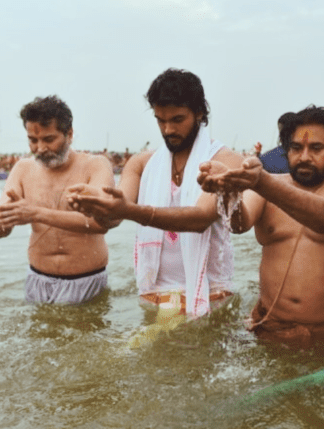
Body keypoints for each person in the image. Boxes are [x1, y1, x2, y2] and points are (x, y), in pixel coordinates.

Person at [67, 68, 244, 317]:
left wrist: (129, 211)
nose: (168, 129)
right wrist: (96, 206)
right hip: (154, 295)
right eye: (160, 120)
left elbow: (200, 218)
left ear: (200, 113)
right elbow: (116, 215)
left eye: (177, 119)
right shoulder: (141, 164)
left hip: (211, 295)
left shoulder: (225, 161)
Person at [198, 105, 324, 348]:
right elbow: (238, 224)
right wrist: (226, 190)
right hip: (268, 325)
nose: (304, 157)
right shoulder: (270, 184)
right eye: (296, 148)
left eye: (316, 148)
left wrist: (262, 182)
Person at [0, 95, 115, 304]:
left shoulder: (95, 165)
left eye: (49, 139)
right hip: (37, 279)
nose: (40, 148)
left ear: (69, 134)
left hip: (86, 280)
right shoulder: (22, 169)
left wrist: (36, 213)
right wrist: (5, 220)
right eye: (33, 140)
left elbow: (100, 223)